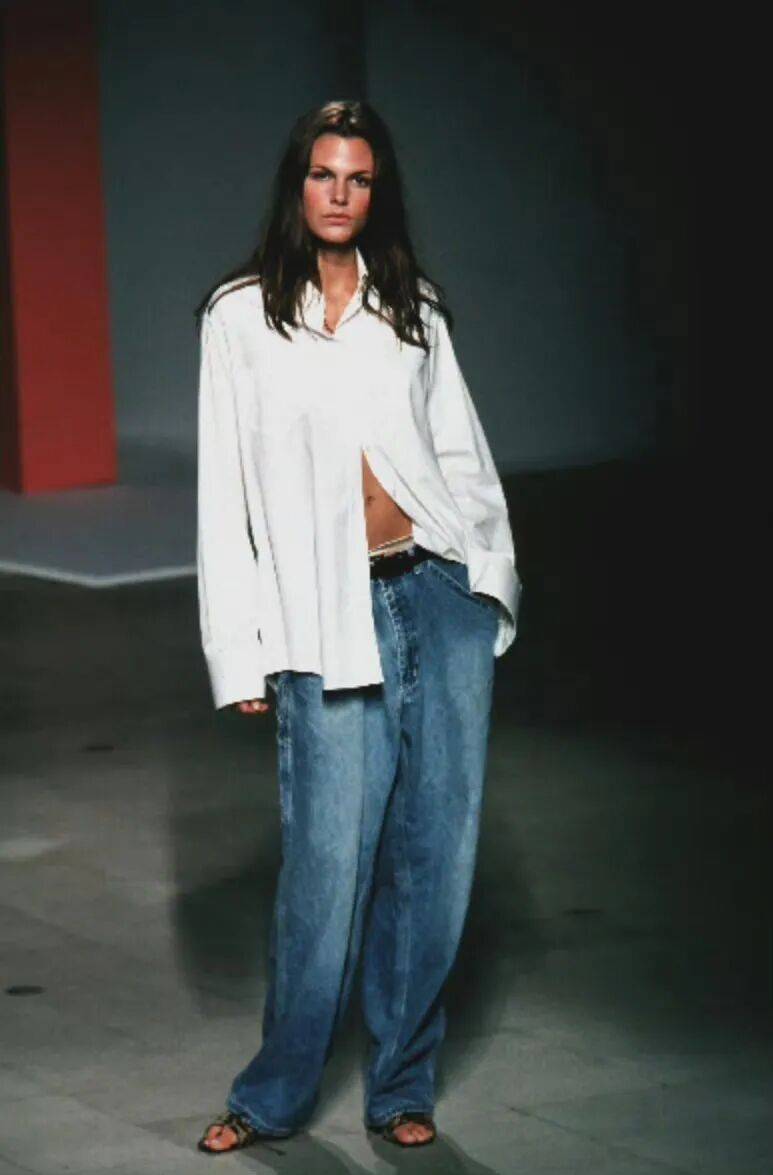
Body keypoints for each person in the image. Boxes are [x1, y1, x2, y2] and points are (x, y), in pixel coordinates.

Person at [193, 99, 521, 1154]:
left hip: (434, 593)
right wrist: (240, 649)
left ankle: (401, 1084)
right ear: (296, 184)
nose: (340, 194)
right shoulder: (239, 316)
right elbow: (222, 496)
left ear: (378, 193)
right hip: (321, 613)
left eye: (360, 178)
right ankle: (273, 1094)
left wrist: (487, 575)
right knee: (325, 864)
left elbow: (458, 450)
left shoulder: (411, 306)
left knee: (436, 853)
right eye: (323, 174)